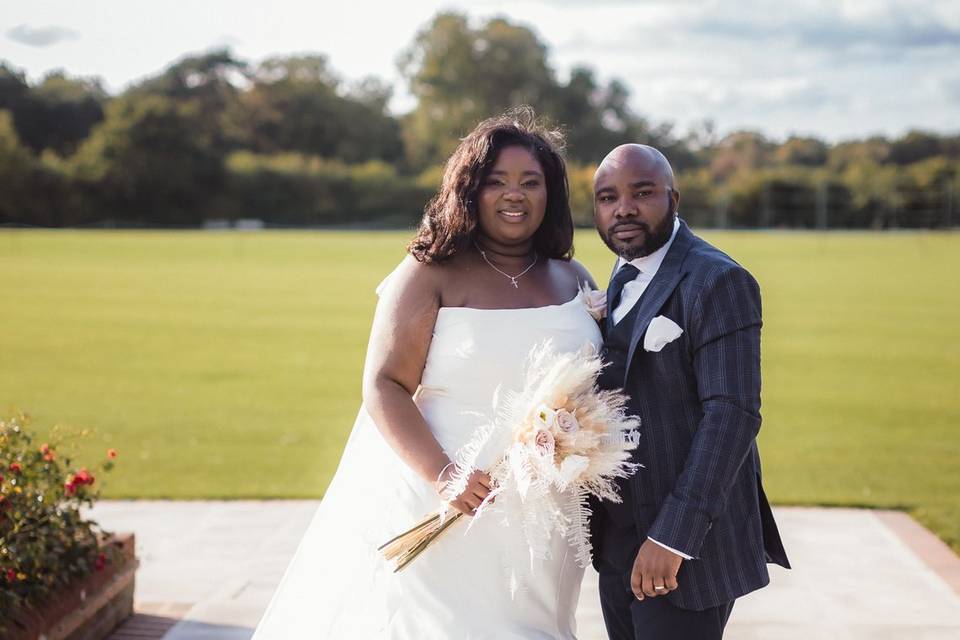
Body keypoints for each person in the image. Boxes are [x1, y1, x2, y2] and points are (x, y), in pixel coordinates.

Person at [252, 108, 602, 639]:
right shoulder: (427, 274)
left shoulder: (574, 278)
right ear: (469, 189)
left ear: (550, 194)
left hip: (544, 517)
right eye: (496, 182)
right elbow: (384, 384)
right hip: (448, 503)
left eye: (531, 182)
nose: (515, 195)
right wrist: (445, 475)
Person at [589, 144, 791, 640]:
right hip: (617, 537)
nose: (624, 209)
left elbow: (733, 414)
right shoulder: (618, 276)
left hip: (682, 545)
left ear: (674, 199)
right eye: (608, 197)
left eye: (642, 193)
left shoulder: (718, 279)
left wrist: (672, 537)